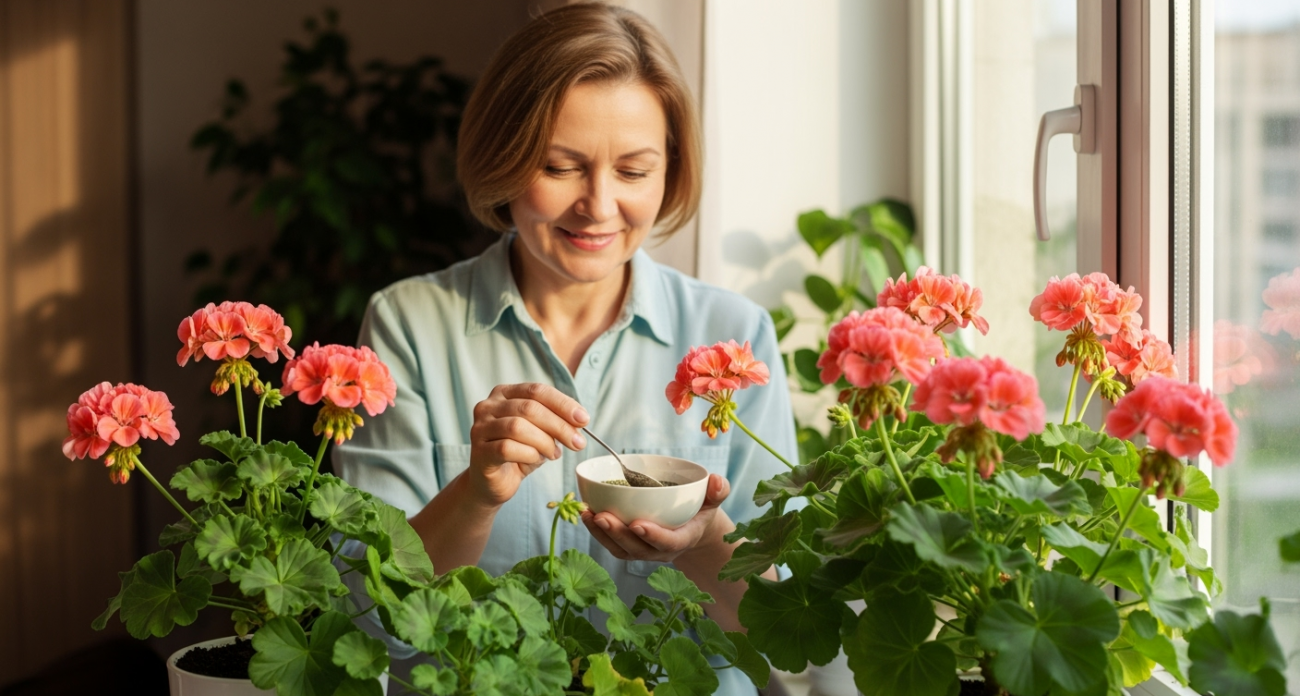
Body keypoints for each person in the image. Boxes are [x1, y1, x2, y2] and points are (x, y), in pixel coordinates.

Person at [334, 4, 796, 693]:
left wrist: (705, 540)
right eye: (560, 166)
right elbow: (371, 615)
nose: (599, 206)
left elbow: (781, 634)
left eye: (634, 171)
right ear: (503, 157)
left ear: (672, 170)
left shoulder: (735, 338)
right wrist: (476, 495)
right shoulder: (410, 325)